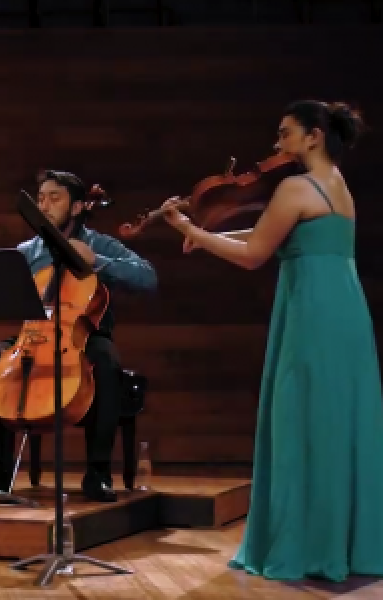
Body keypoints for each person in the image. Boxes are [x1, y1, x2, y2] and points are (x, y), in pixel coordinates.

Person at [159, 100, 383, 582]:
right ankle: (340, 545)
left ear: (314, 136)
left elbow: (256, 252)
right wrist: (206, 235)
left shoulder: (297, 186)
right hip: (344, 309)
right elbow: (280, 235)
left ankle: (302, 547)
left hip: (313, 315)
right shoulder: (337, 185)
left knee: (301, 423)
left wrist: (192, 229)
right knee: (335, 423)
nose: (277, 144)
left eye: (286, 134)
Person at [0, 169, 157, 502]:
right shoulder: (26, 251)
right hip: (33, 334)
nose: (45, 205)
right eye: (41, 198)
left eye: (55, 198)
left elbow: (147, 278)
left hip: (85, 335)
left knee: (105, 365)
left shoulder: (99, 243)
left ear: (77, 207)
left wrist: (99, 261)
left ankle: (98, 475)